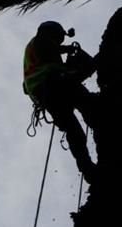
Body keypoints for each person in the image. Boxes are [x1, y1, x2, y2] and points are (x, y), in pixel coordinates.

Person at [23, 21, 98, 181]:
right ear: (51, 32)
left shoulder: (38, 50)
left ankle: (88, 170)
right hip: (51, 85)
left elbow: (52, 60)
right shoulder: (39, 41)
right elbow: (50, 51)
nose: (59, 41)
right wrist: (69, 50)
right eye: (58, 37)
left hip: (47, 94)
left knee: (74, 131)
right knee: (83, 100)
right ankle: (96, 116)